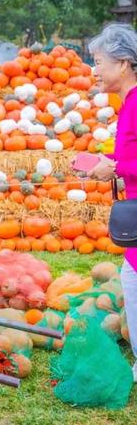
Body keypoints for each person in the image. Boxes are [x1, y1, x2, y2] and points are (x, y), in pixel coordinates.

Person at [84, 23, 137, 380]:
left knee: (132, 284)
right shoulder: (128, 103)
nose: (95, 71)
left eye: (100, 62)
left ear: (123, 63)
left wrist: (116, 167)